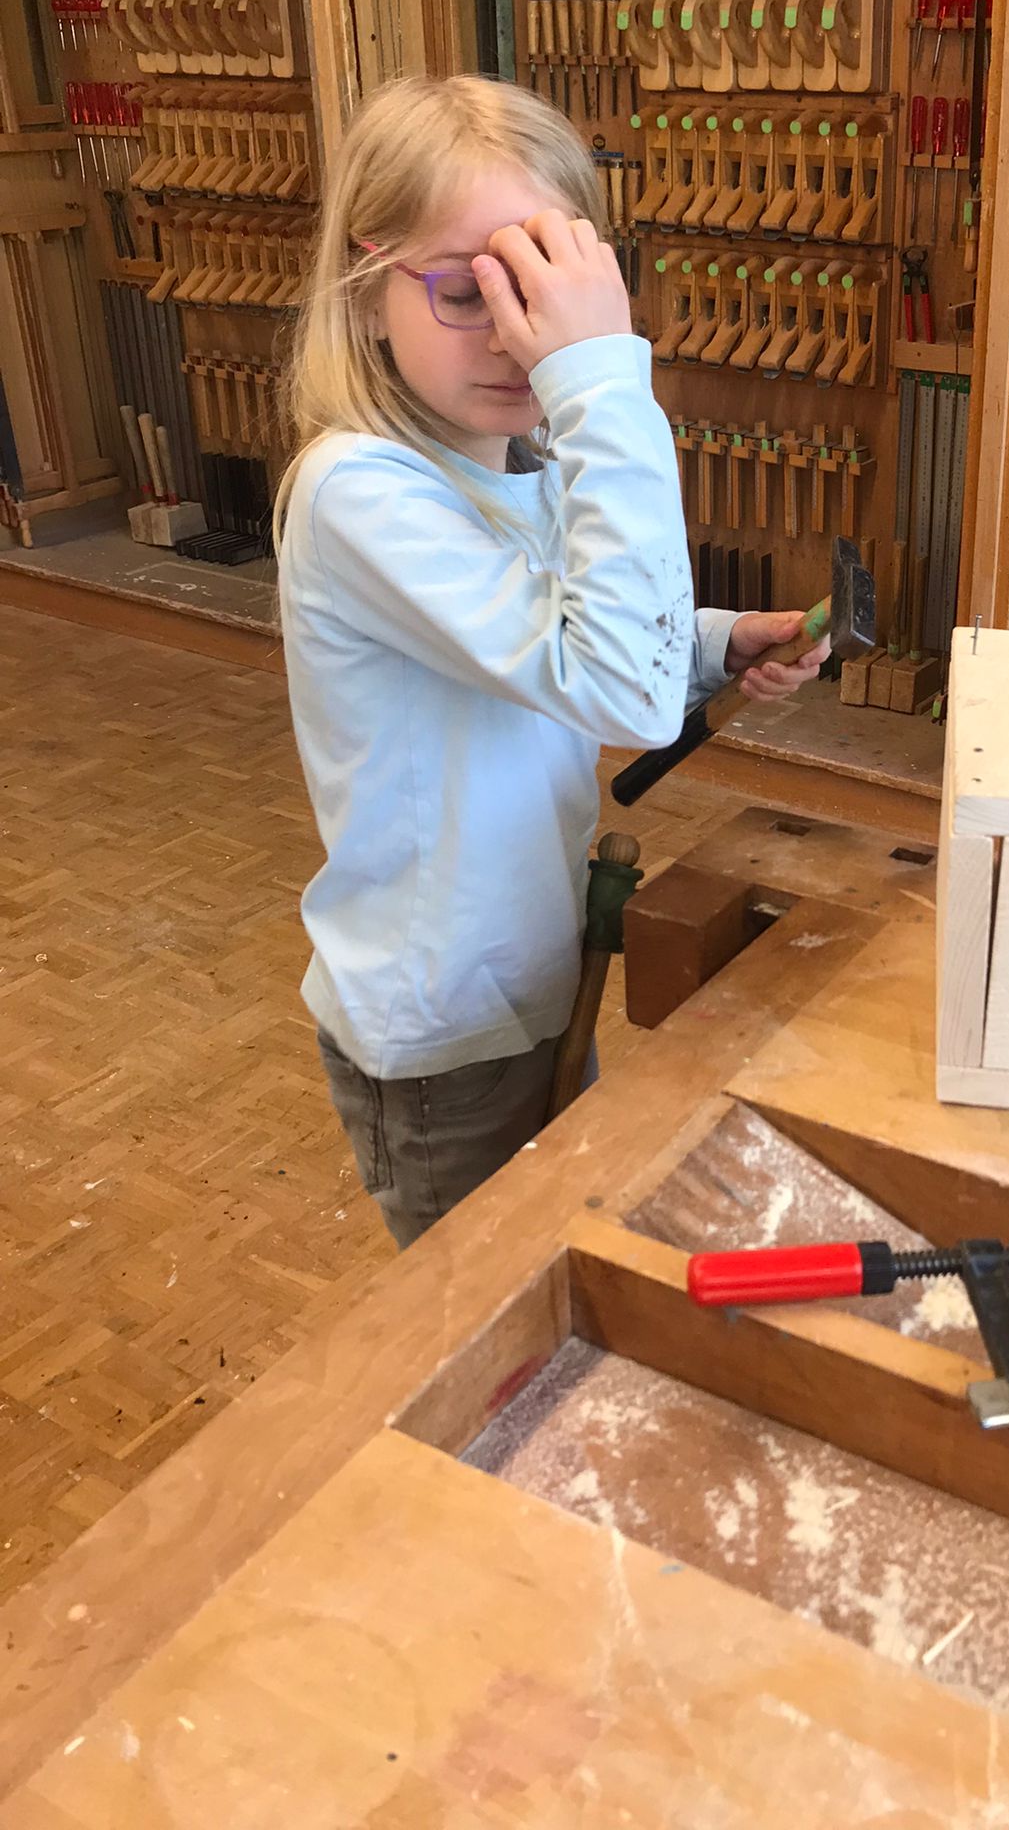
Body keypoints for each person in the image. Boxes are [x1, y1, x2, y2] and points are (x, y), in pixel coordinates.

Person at [274, 75, 827, 1248]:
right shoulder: (357, 492)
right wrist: (603, 380)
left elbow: (571, 641)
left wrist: (712, 643)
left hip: (531, 976)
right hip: (443, 1036)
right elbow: (618, 683)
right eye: (464, 291)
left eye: (538, 294)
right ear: (368, 292)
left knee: (555, 1254)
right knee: (487, 1311)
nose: (511, 336)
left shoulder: (517, 460)